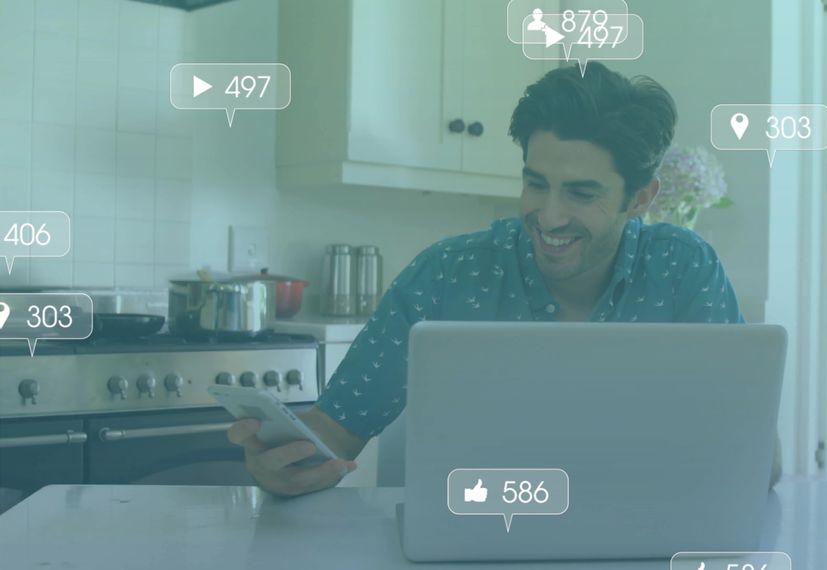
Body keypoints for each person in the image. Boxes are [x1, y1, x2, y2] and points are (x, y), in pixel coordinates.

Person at [228, 62, 781, 497]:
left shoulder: (682, 269)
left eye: (582, 193)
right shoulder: (446, 275)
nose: (550, 214)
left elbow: (759, 456)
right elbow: (336, 431)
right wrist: (284, 462)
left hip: (643, 534)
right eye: (536, 183)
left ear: (640, 198)